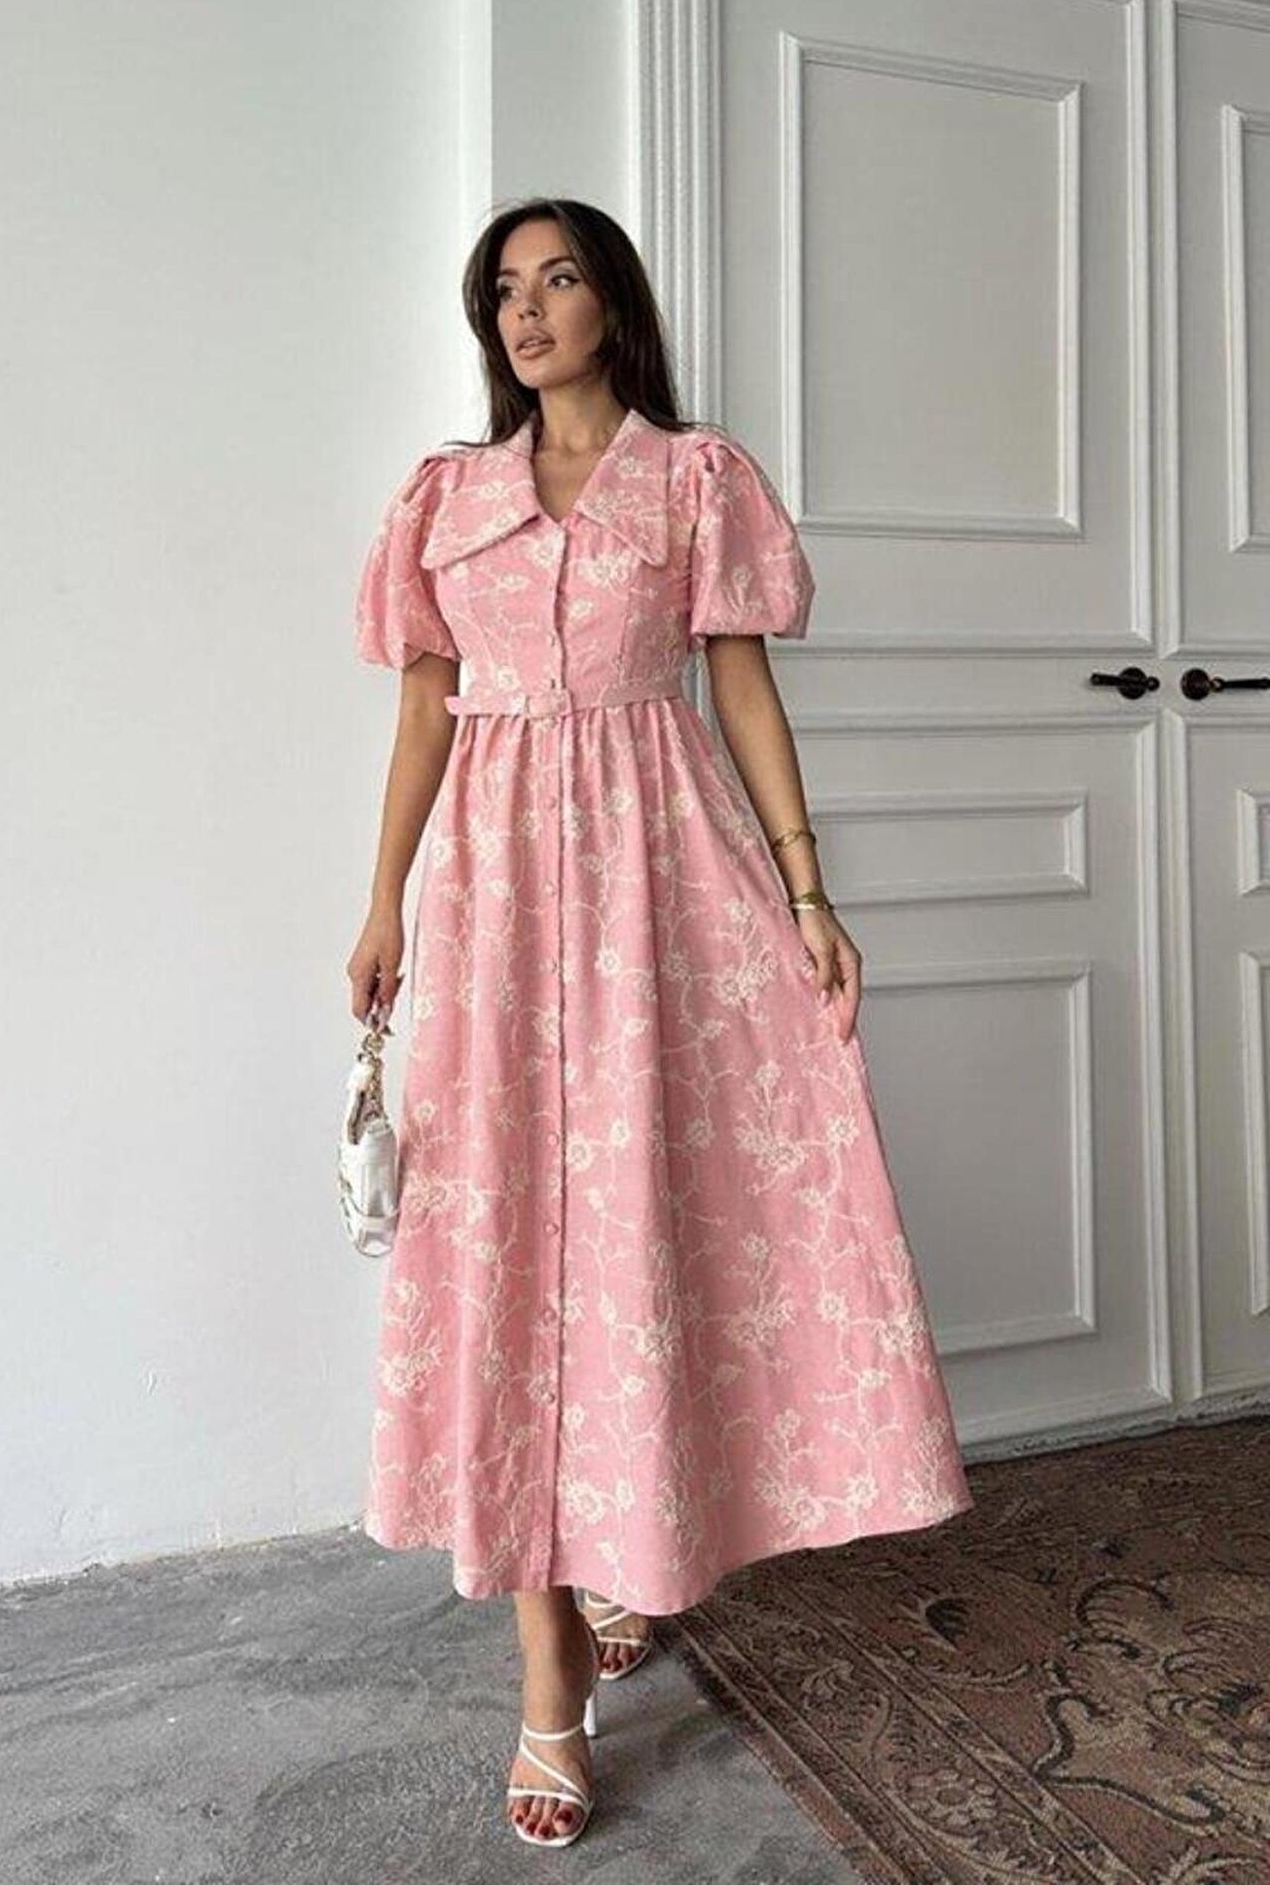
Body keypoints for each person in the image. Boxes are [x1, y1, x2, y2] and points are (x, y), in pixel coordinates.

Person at [347, 197, 975, 1848]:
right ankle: (549, 1676)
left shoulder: (695, 483)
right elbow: (424, 712)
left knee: (643, 1225)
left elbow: (740, 686)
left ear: (613, 304)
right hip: (493, 903)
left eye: (558, 279)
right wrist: (383, 902)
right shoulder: (447, 497)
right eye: (503, 288)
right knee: (509, 1245)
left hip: (662, 889)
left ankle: (629, 1541)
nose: (527, 309)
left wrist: (810, 892)